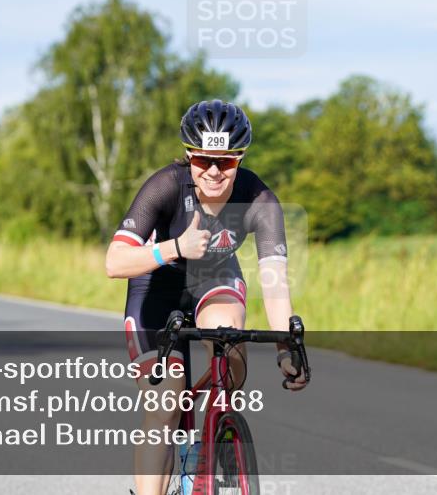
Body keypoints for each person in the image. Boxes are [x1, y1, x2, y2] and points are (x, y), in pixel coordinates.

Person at [106, 100, 306, 495]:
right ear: (189, 156)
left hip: (214, 278)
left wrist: (288, 347)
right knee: (165, 399)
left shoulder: (260, 200)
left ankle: (214, 434)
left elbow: (275, 283)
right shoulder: (164, 186)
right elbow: (115, 261)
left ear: (240, 159)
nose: (214, 171)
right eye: (203, 160)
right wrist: (175, 247)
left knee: (230, 345)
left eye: (226, 162)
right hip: (156, 286)